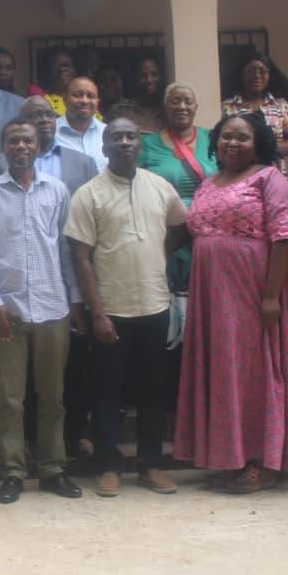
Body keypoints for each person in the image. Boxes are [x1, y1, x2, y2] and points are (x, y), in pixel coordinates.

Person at [174, 113, 288, 493]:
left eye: (242, 137)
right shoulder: (208, 183)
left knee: (257, 373)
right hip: (211, 298)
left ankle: (263, 460)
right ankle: (230, 457)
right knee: (225, 374)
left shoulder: (270, 180)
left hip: (252, 293)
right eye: (226, 136)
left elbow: (284, 239)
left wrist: (271, 296)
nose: (232, 143)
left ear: (259, 144)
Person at [65, 116, 188, 497]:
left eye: (131, 136)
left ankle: (150, 465)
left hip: (154, 305)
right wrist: (97, 313)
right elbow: (81, 257)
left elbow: (180, 229)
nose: (124, 142)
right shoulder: (89, 194)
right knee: (108, 392)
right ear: (104, 147)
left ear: (140, 143)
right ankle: (108, 465)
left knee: (153, 391)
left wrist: (157, 254)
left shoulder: (160, 187)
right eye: (116, 137)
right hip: (111, 310)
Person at [0, 119, 84, 504]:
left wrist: (74, 301)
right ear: (3, 147)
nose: (21, 146)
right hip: (9, 312)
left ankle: (53, 469)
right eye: (13, 140)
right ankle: (13, 471)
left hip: (53, 308)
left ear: (38, 146)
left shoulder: (57, 190)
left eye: (27, 140)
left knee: (52, 397)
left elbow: (66, 253)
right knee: (10, 399)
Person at [139, 82, 218, 350]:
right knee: (170, 313)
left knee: (207, 311)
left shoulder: (214, 138)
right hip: (166, 240)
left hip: (207, 240)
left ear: (196, 107)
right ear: (165, 107)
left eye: (187, 101)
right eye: (175, 101)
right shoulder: (147, 144)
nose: (181, 106)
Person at [0, 97, 96, 196]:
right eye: (37, 115)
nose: (45, 120)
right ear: (21, 120)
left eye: (49, 114)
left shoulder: (84, 164)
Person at [222, 51, 288, 172]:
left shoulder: (281, 106)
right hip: (239, 175)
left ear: (270, 75)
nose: (257, 75)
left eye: (262, 71)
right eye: (251, 70)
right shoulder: (227, 107)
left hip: (275, 175)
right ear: (241, 74)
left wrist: (268, 148)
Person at [55, 77, 107, 172]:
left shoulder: (107, 133)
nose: (84, 101)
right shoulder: (51, 133)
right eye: (77, 95)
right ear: (65, 100)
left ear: (97, 101)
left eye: (91, 96)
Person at [131, 56, 166, 133]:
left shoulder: (169, 112)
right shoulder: (122, 110)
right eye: (143, 76)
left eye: (154, 74)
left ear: (162, 77)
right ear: (136, 79)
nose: (149, 80)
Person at [38, 47, 75, 117]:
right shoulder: (42, 99)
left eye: (66, 65)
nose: (62, 69)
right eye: (56, 65)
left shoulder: (84, 99)